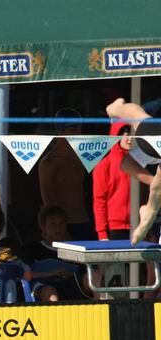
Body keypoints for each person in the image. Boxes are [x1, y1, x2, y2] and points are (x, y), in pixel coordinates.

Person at [105, 98, 161, 244]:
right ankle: (149, 212)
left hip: (153, 137)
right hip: (153, 139)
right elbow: (127, 164)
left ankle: (114, 108)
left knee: (134, 112)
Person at [38, 108, 94, 240]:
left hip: (86, 222)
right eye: (73, 129)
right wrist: (61, 231)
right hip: (64, 226)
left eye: (79, 128)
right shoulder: (49, 163)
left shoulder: (83, 158)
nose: (78, 133)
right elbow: (49, 203)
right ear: (61, 131)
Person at [93, 121, 133, 241]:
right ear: (116, 137)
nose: (130, 139)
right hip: (114, 229)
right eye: (126, 135)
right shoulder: (104, 165)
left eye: (132, 134)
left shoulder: (140, 163)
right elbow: (99, 201)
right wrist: (102, 234)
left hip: (138, 227)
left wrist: (147, 227)